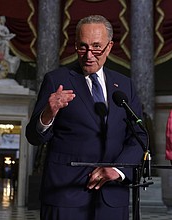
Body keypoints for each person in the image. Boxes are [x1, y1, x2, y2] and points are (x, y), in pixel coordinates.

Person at [26, 15, 146, 220]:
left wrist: (117, 170)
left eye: (96, 47)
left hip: (112, 197)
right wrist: (49, 113)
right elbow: (34, 137)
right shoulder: (57, 80)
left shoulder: (125, 85)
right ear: (75, 45)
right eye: (83, 47)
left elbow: (139, 138)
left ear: (109, 47)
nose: (89, 55)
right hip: (65, 195)